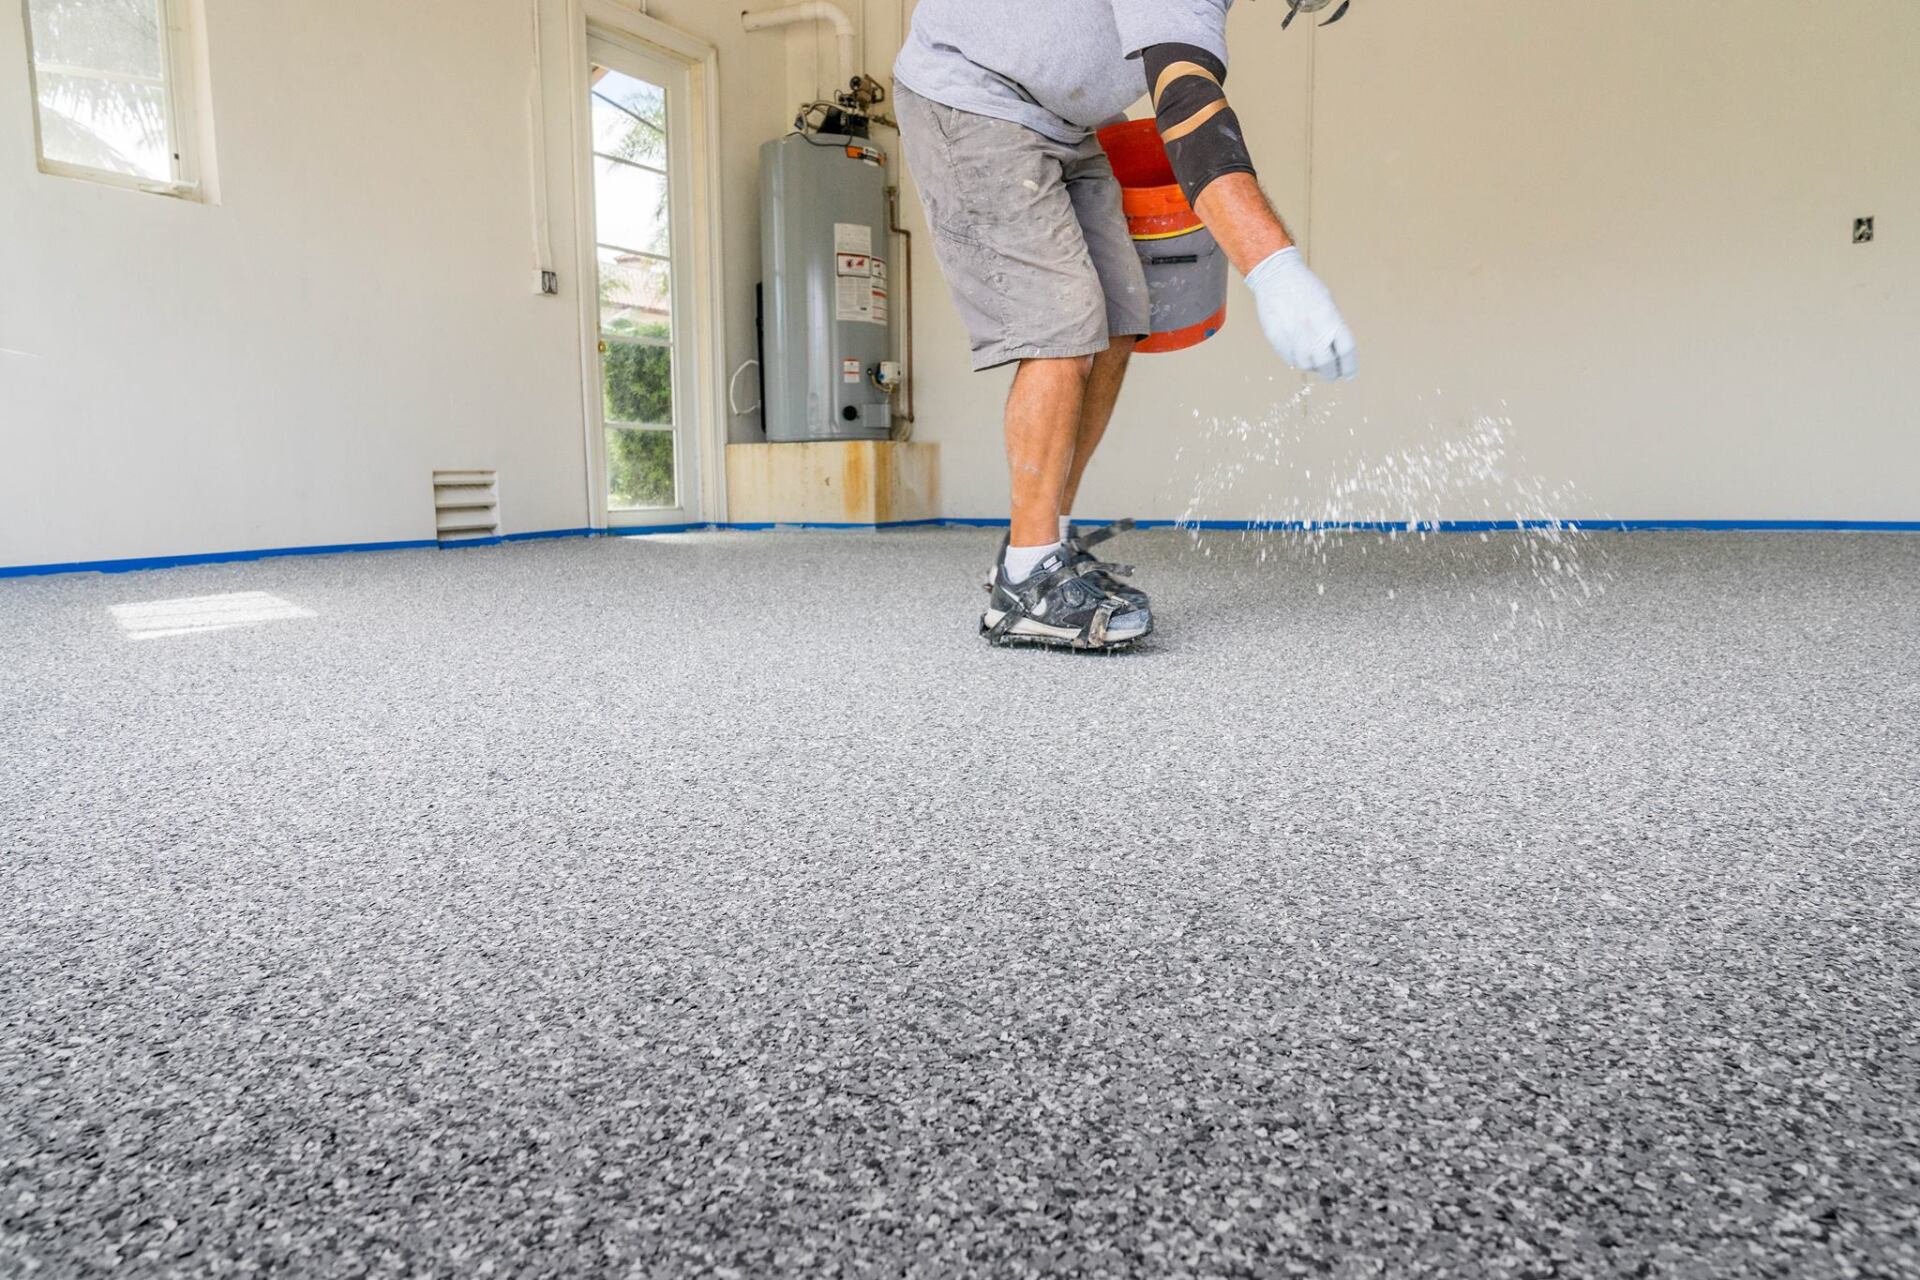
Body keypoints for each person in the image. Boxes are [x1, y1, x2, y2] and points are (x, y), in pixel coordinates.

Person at [893, 0, 1358, 650]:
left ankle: (1044, 541)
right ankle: (1025, 586)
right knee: (1062, 322)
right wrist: (1274, 268)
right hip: (972, 95)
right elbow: (1189, 107)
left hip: (1064, 121)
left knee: (1118, 316)